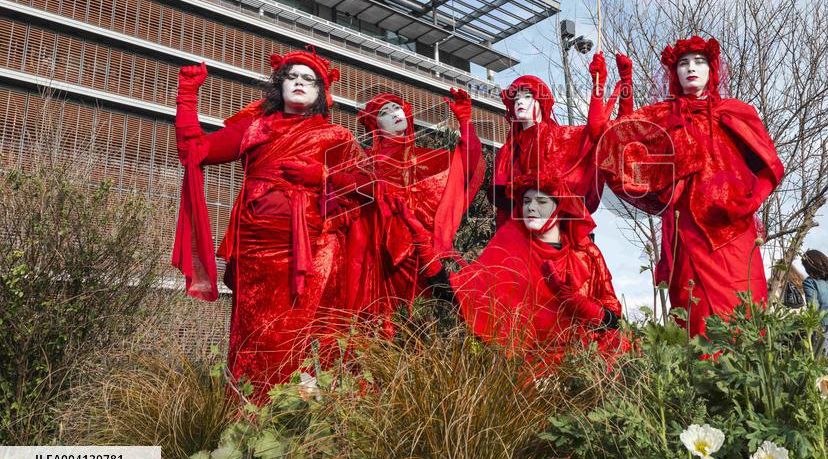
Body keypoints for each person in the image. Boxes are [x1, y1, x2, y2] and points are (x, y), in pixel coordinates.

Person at [172, 49, 369, 394]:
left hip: (312, 249)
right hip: (255, 247)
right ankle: (249, 409)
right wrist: (187, 96)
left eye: (308, 80)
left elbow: (367, 188)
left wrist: (322, 175)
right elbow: (194, 151)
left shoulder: (338, 136)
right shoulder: (255, 127)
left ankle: (296, 411)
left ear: (322, 92)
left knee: (298, 328)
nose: (299, 83)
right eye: (292, 77)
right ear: (280, 85)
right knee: (254, 330)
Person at [597, 36, 784, 336]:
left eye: (699, 62)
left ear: (712, 69)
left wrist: (752, 201)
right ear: (675, 72)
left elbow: (771, 165)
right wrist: (624, 83)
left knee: (745, 309)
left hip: (733, 227)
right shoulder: (662, 116)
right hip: (687, 231)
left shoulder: (735, 112)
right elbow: (618, 139)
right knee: (693, 313)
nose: (691, 68)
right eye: (683, 63)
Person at [399, 170, 627, 362]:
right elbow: (452, 293)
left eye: (541, 201)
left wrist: (574, 302)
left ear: (559, 208)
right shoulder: (508, 247)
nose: (531, 207)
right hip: (530, 369)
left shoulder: (586, 255)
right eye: (526, 201)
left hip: (582, 362)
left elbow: (613, 323)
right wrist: (421, 240)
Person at [354, 89, 484, 321]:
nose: (395, 113)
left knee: (426, 324)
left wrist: (465, 122)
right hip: (380, 260)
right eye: (385, 112)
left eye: (397, 107)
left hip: (424, 258)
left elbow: (467, 165)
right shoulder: (364, 164)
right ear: (375, 125)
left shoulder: (429, 159)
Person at [490, 52, 633, 228]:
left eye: (527, 96)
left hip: (555, 233)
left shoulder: (560, 138)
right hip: (520, 237)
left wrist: (608, 83)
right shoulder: (508, 153)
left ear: (541, 103)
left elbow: (609, 133)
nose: (520, 101)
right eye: (516, 98)